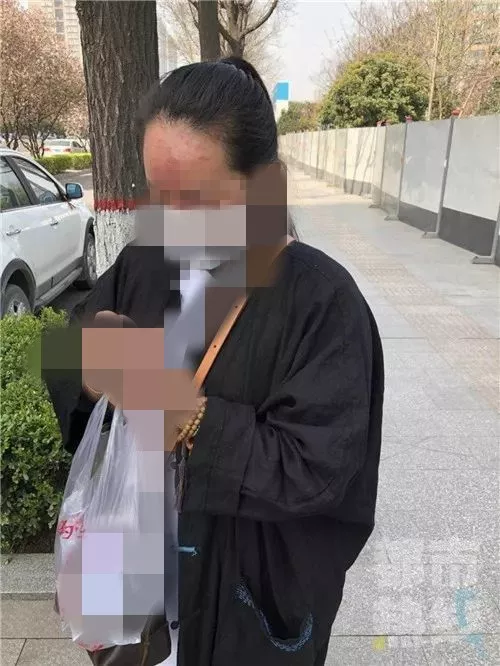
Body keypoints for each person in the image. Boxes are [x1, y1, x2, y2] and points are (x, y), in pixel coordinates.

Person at [44, 57, 384, 666]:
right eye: (159, 195)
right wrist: (90, 370)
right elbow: (66, 356)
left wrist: (191, 418)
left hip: (245, 608)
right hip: (133, 587)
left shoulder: (323, 303)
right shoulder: (143, 264)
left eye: (198, 200)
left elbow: (321, 472)